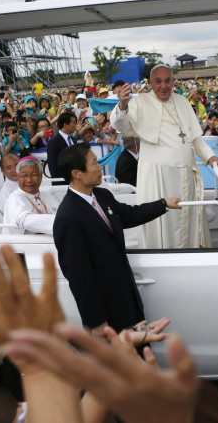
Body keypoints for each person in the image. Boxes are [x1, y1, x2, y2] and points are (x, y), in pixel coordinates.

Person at [53, 143, 181, 334]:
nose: (100, 167)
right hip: (106, 310)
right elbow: (79, 277)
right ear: (77, 173)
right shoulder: (68, 217)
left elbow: (128, 215)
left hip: (127, 299)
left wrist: (163, 204)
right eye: (94, 163)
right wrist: (96, 321)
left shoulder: (102, 195)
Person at [110, 64, 218, 249]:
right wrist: (122, 104)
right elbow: (119, 125)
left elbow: (195, 139)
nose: (163, 85)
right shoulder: (140, 103)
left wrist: (210, 156)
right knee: (164, 224)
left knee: (188, 221)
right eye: (158, 81)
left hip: (186, 175)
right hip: (157, 176)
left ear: (173, 81)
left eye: (167, 80)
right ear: (151, 83)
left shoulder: (183, 102)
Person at [3, 157, 59, 234]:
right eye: (24, 175)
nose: (29, 180)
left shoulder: (46, 195)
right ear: (18, 178)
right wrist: (61, 222)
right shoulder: (15, 198)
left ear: (41, 176)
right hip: (24, 243)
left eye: (34, 175)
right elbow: (26, 220)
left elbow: (60, 211)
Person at [46, 112, 77, 184]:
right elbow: (53, 167)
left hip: (76, 183)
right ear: (65, 125)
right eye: (73, 123)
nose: (75, 125)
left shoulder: (73, 140)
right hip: (62, 185)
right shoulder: (53, 142)